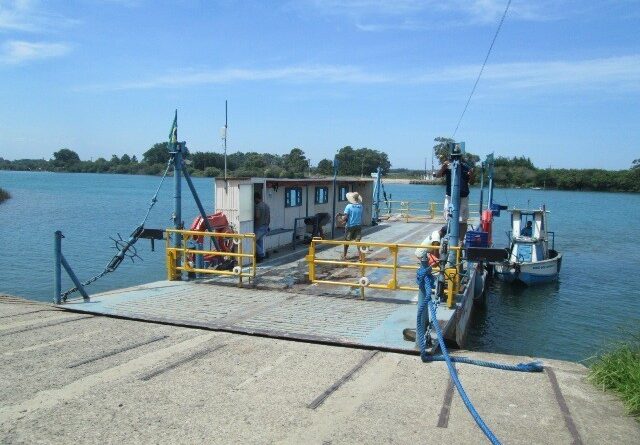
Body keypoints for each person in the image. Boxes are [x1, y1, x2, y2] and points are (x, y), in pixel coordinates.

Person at [435, 147, 472, 243]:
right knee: (449, 217)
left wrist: (471, 175)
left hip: (463, 196)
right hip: (450, 196)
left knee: (463, 220)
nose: (455, 160)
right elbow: (438, 175)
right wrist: (443, 168)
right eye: (453, 157)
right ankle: (447, 235)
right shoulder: (448, 167)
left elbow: (471, 181)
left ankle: (460, 241)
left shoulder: (465, 167)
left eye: (457, 157)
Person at [341, 191, 363, 260]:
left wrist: (342, 218)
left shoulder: (349, 206)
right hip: (358, 225)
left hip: (350, 226)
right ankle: (360, 256)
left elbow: (345, 217)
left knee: (346, 241)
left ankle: (344, 255)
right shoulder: (361, 206)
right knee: (358, 241)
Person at [254, 192, 270, 262]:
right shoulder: (266, 205)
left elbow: (257, 216)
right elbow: (269, 217)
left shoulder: (258, 206)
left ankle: (261, 254)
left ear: (256, 198)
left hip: (259, 227)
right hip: (266, 226)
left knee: (252, 241)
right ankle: (261, 255)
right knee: (260, 241)